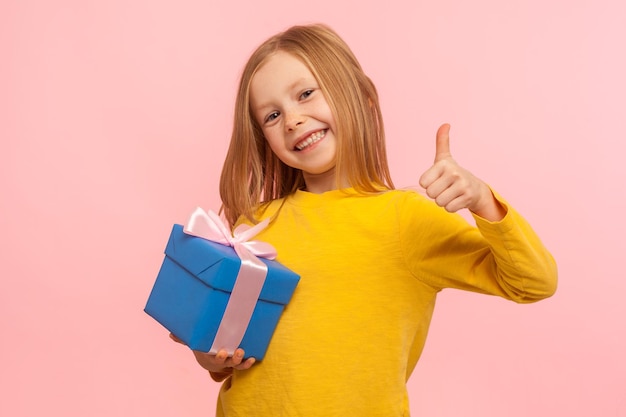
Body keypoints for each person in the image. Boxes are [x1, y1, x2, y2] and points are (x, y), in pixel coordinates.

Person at [170, 23, 557, 416]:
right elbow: (221, 350)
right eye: (272, 115)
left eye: (306, 94)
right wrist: (212, 359)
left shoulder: (407, 219)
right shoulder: (254, 226)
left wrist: (483, 201)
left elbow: (533, 282)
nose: (292, 120)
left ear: (363, 98)